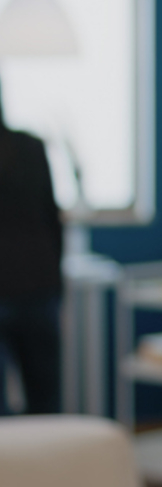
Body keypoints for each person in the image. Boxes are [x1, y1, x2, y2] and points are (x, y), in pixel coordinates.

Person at [0, 81, 63, 415]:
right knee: (46, 400)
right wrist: (58, 285)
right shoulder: (32, 146)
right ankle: (51, 468)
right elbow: (53, 220)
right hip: (40, 285)